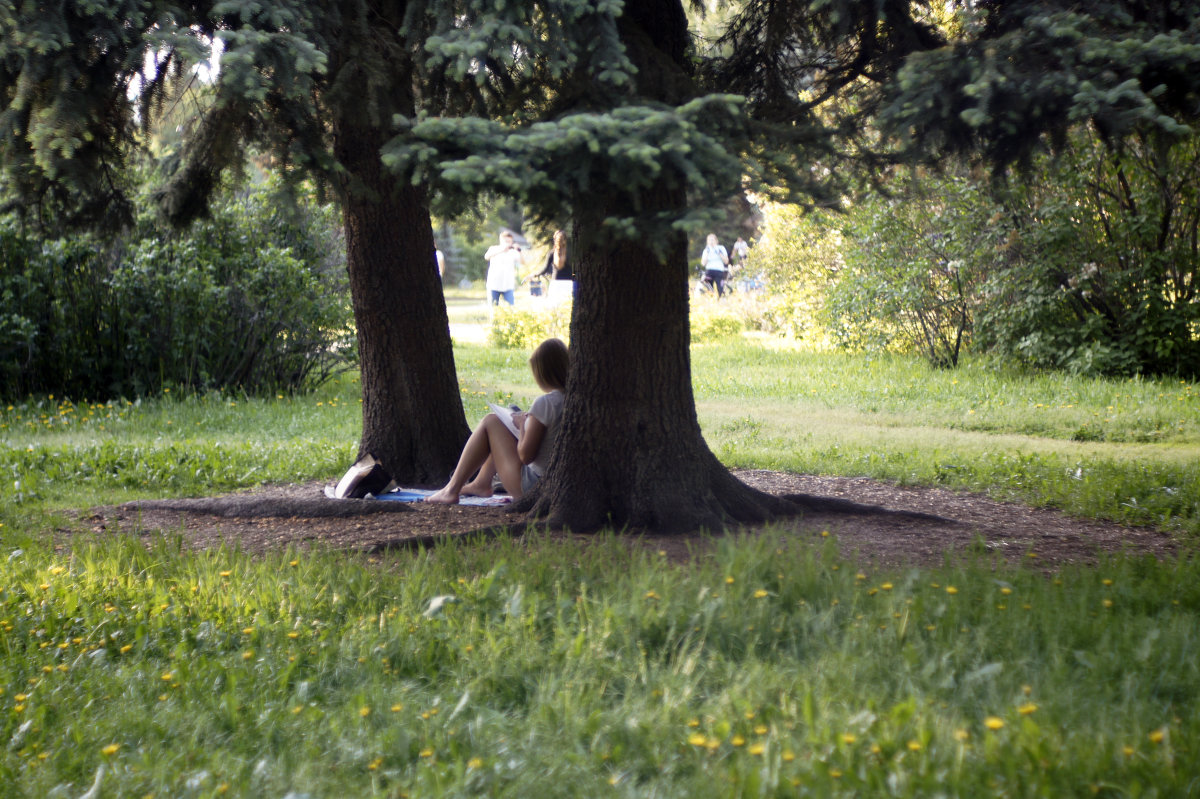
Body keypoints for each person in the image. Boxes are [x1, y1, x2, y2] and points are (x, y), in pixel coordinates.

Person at [427, 338, 569, 504]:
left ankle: (451, 490)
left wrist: (523, 425)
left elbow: (526, 456)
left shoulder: (545, 403)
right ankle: (480, 484)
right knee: (502, 428)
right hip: (558, 482)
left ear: (542, 372)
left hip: (533, 485)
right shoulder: (573, 400)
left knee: (491, 421)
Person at [484, 230, 523, 306]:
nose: (507, 243)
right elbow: (486, 256)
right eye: (506, 241)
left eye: (509, 241)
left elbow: (523, 262)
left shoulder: (513, 252)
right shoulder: (494, 248)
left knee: (510, 309)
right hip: (494, 285)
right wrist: (502, 250)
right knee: (493, 309)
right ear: (501, 240)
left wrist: (519, 250)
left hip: (508, 285)